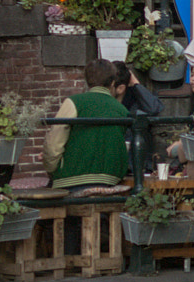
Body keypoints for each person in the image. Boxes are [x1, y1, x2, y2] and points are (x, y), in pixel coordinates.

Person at [45, 60, 133, 189]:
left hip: (69, 179)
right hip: (109, 181)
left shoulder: (74, 102)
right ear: (113, 82)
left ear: (87, 80)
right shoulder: (122, 111)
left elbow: (53, 143)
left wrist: (52, 169)